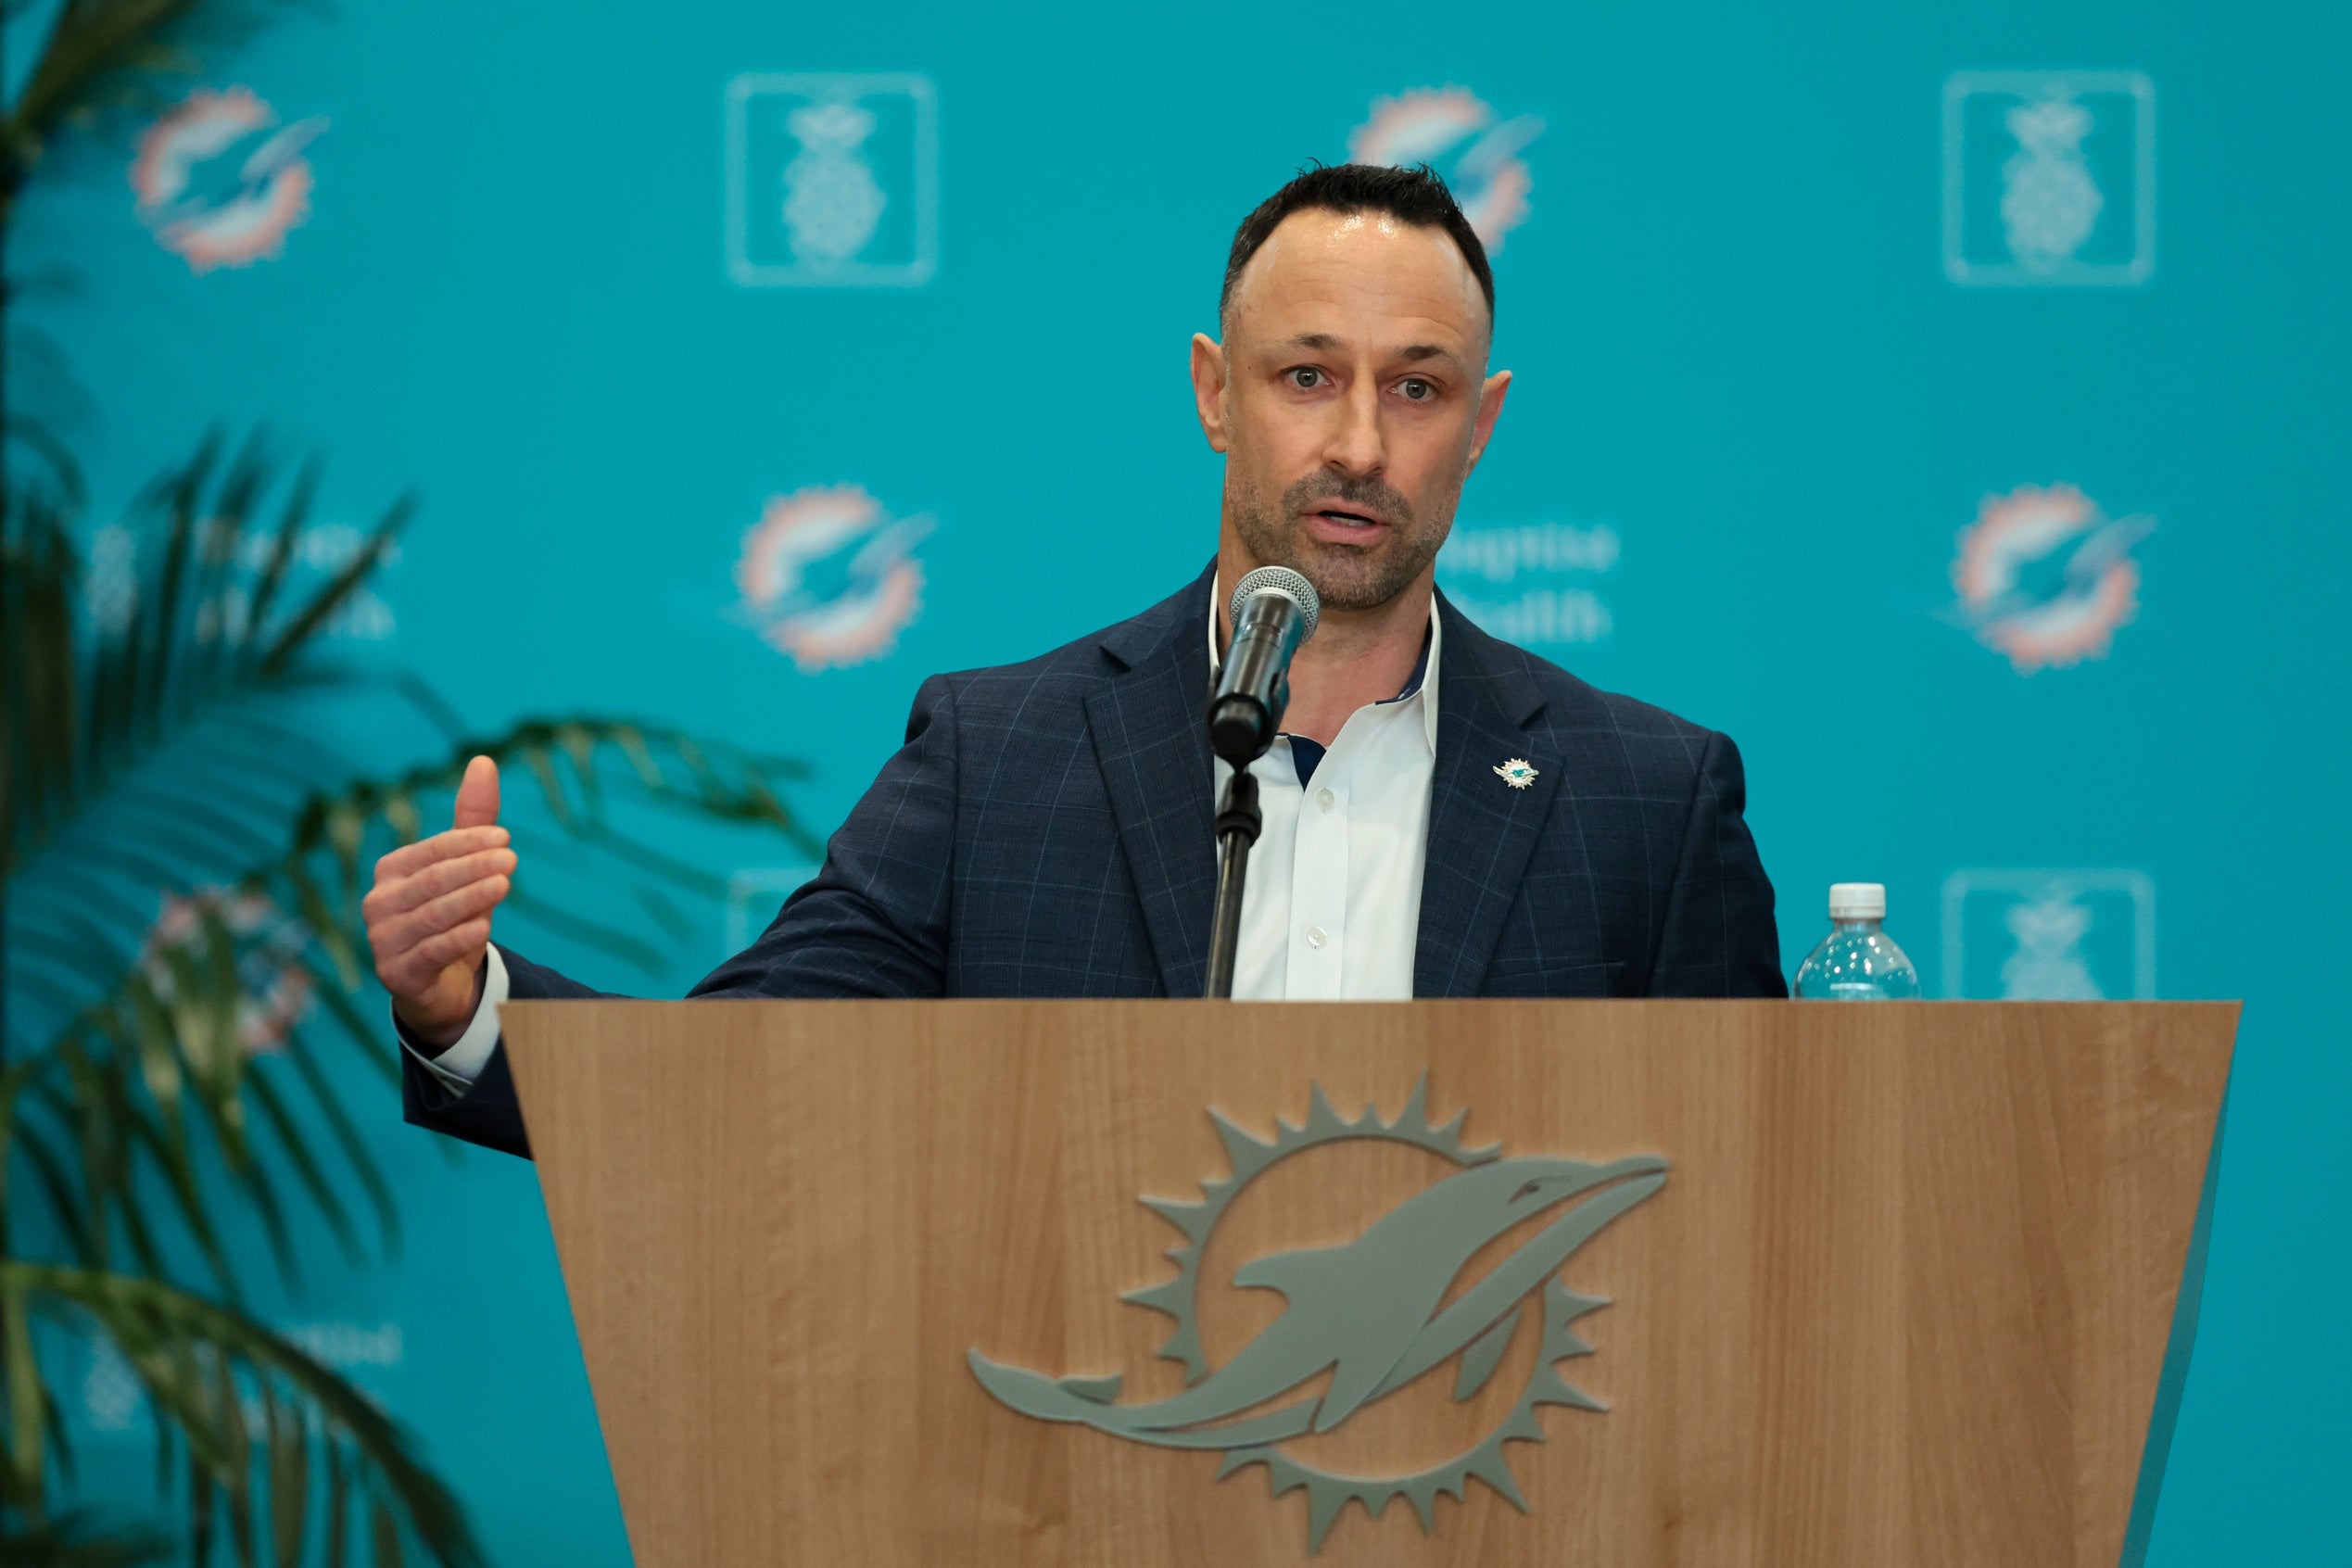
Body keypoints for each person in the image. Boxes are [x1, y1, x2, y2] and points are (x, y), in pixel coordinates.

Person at [369, 163, 1784, 1159]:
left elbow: (1765, 1191)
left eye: (1414, 388)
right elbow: (738, 1086)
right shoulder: (1001, 756)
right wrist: (466, 1007)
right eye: (1306, 376)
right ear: (1213, 393)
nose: (1359, 443)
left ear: (1480, 424)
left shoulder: (1645, 797)